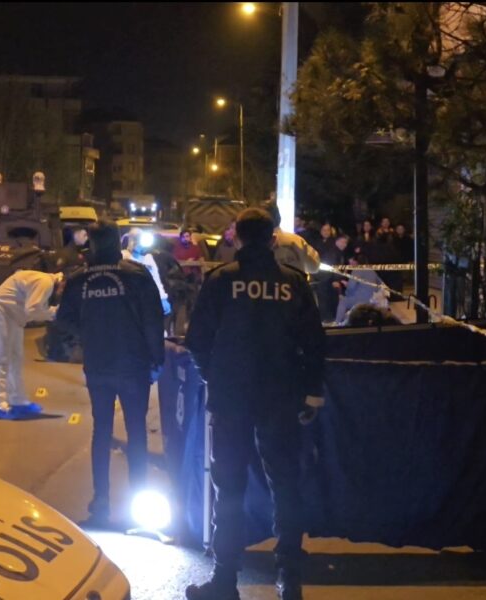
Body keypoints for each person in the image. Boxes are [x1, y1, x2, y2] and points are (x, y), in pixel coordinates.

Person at [184, 208, 325, 600]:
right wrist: (311, 393)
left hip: (232, 399)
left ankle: (225, 580)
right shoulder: (294, 283)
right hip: (281, 397)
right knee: (286, 485)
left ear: (237, 239)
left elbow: (197, 340)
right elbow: (314, 343)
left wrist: (215, 378)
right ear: (273, 240)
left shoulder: (221, 280)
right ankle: (290, 580)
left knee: (229, 487)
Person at [56, 221, 165, 528]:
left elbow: (63, 320)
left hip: (99, 364)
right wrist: (157, 358)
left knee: (101, 430)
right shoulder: (136, 275)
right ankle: (138, 504)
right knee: (136, 432)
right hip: (133, 365)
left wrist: (87, 334)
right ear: (117, 242)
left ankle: (101, 501)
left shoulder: (79, 280)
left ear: (90, 244)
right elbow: (153, 319)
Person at [0, 269, 63, 419]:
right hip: (0, 311)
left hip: (12, 315)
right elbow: (32, 309)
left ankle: (18, 401)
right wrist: (54, 313)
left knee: (16, 359)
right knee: (0, 358)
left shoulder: (46, 282)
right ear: (62, 282)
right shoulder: (46, 283)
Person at [123, 228, 171, 316]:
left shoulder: (148, 258)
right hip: (130, 302)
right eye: (135, 238)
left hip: (148, 301)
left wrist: (163, 298)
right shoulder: (123, 256)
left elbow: (156, 280)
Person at [266, 203, 321, 275]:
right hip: (294, 281)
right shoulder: (297, 241)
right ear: (279, 217)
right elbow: (314, 266)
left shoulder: (255, 245)